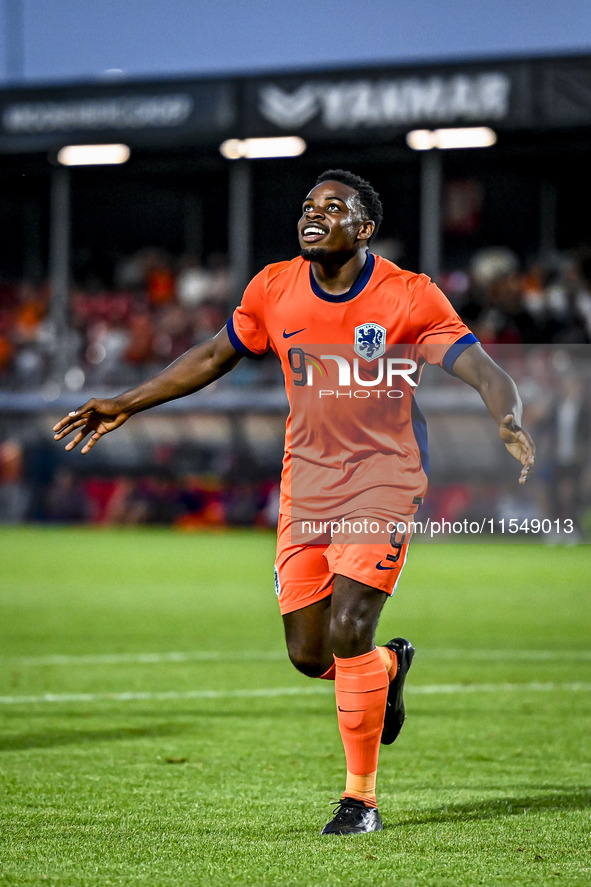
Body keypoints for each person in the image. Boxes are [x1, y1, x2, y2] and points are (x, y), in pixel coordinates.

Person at [53, 170, 535, 835]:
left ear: (363, 229)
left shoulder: (408, 296)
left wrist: (506, 417)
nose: (312, 215)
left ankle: (358, 800)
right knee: (311, 654)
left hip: (384, 478)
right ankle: (389, 664)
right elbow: (215, 353)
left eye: (331, 208)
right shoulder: (272, 287)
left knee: (347, 632)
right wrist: (126, 403)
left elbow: (481, 366)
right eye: (307, 207)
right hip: (306, 483)